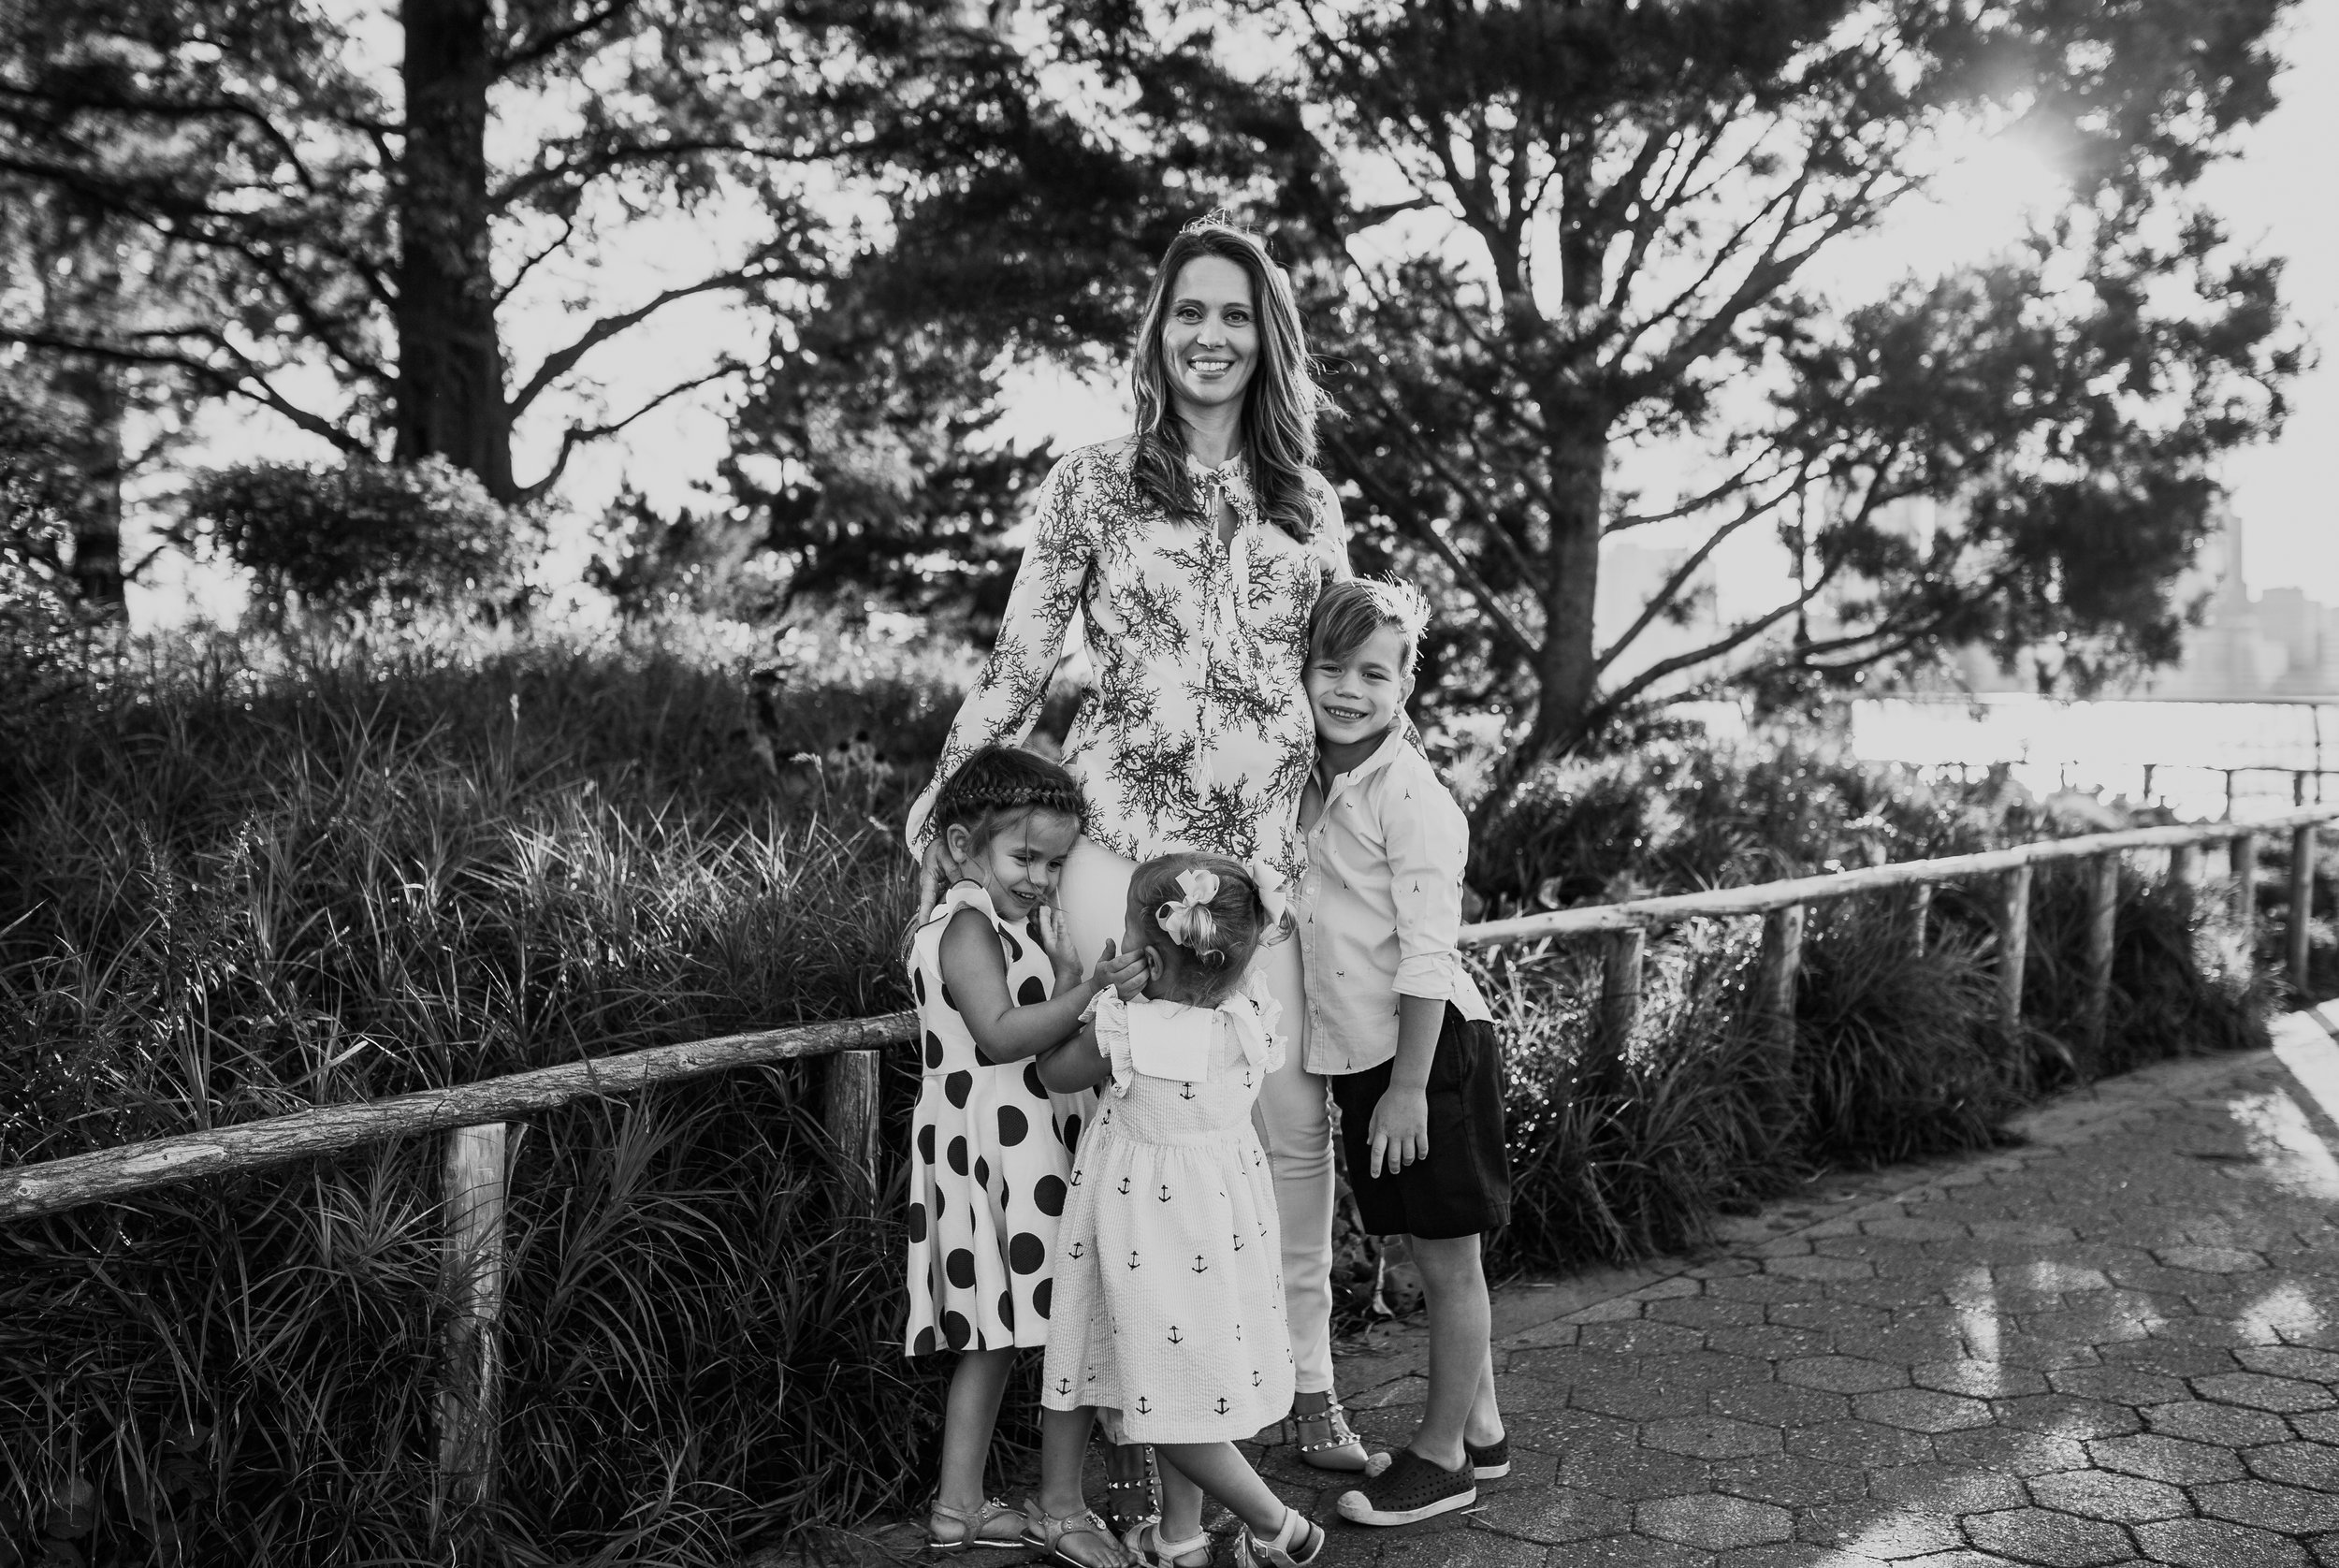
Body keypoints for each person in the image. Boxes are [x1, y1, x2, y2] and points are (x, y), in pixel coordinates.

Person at [904, 213, 1380, 1515]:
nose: (1210, 337)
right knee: (1130, 1132)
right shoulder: (1091, 483)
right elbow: (1018, 664)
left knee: (1284, 1134)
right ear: (1157, 333)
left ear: (1266, 337)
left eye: (1235, 315)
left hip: (1258, 872)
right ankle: (1146, 1432)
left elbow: (1342, 685)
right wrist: (936, 816)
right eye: (1189, 313)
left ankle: (1300, 1378)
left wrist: (1390, 827)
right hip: (1120, 856)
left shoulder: (1308, 503)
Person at [1037, 853, 1328, 1568]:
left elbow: (1053, 1073)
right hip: (1220, 1213)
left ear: (1150, 956)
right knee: (1183, 1372)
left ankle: (1276, 1524)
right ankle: (1180, 1539)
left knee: (1160, 1389)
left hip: (1147, 1222)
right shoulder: (1249, 1010)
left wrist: (1087, 986)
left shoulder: (1130, 1026)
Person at [1294, 581, 1512, 1528]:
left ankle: (1441, 1457)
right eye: (1330, 668)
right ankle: (1486, 1428)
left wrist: (1411, 1088)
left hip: (1425, 1053)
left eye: (1372, 673)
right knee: (1430, 1247)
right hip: (1363, 1056)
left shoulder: (1412, 796)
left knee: (1448, 1258)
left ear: (1405, 680)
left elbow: (1429, 951)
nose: (1347, 688)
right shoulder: (1304, 773)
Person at [904, 746, 1149, 1563]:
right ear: (964, 844)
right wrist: (1093, 993)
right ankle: (1059, 1507)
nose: (1042, 877)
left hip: (1005, 1142)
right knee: (1062, 1324)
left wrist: (1075, 975)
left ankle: (958, 1509)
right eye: (1026, 857)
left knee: (997, 1335)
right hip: (1002, 1150)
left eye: (1055, 862)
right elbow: (1001, 1034)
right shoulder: (967, 927)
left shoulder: (998, 925)